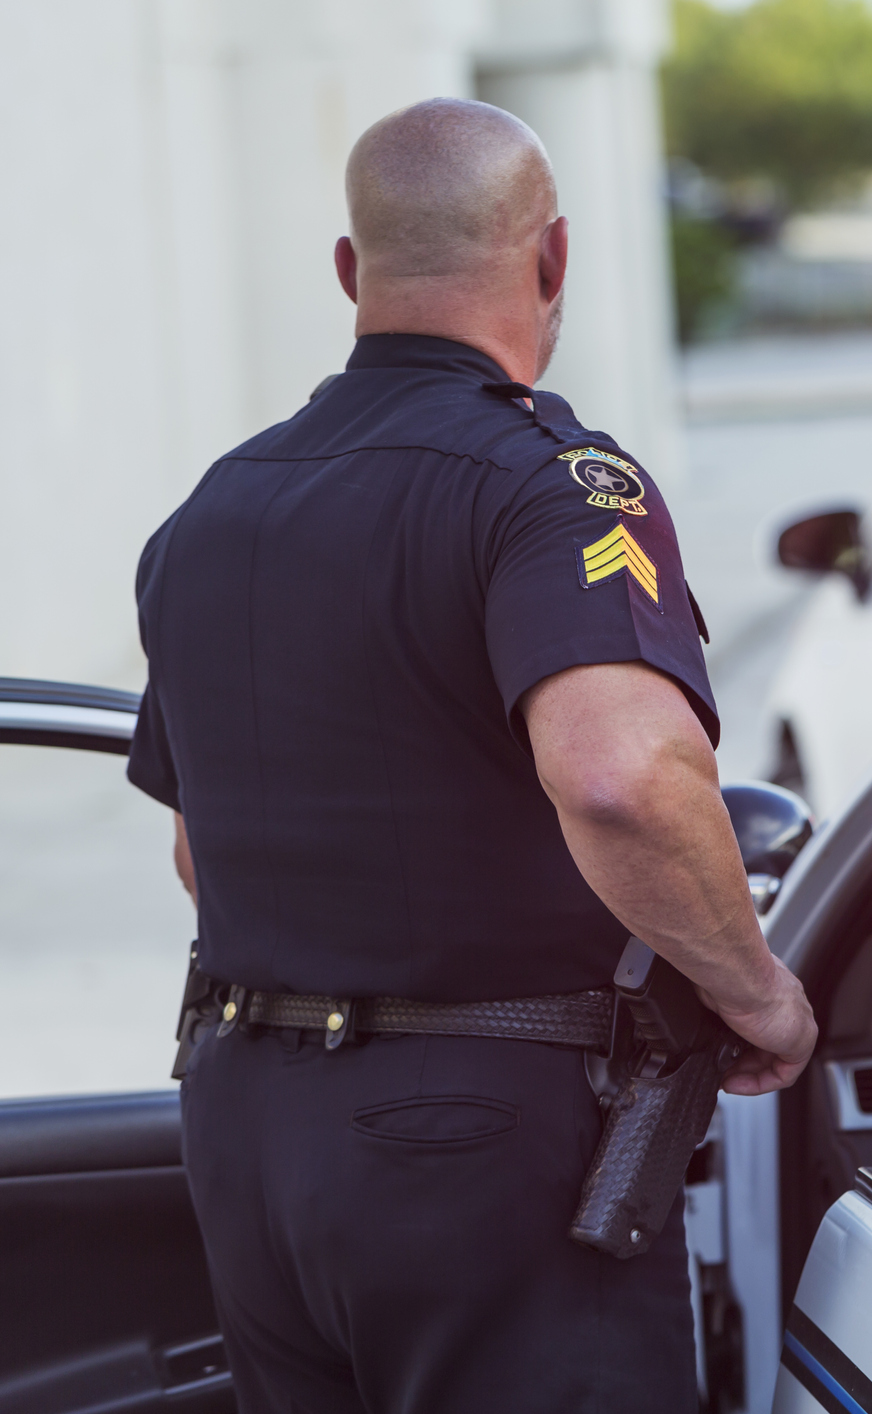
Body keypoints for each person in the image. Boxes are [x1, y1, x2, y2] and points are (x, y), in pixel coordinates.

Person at [125, 97, 815, 1412]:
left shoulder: (212, 511)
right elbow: (621, 776)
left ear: (350, 271)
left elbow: (198, 851)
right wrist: (756, 989)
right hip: (481, 1149)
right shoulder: (549, 488)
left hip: (246, 1132)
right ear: (552, 259)